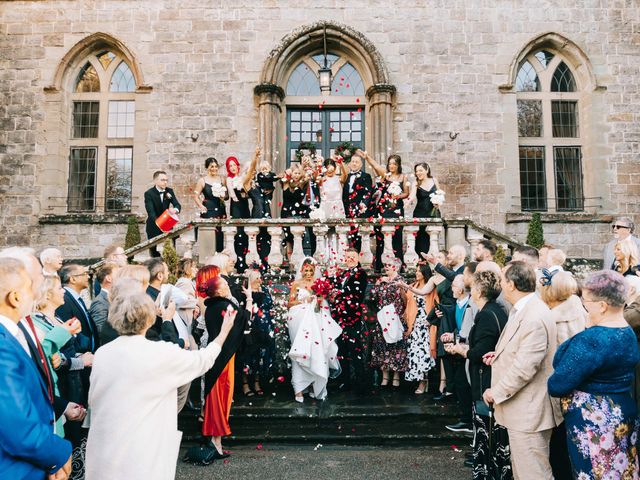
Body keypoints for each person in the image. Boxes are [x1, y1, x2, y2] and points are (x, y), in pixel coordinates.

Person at [85, 291, 236, 480]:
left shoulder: (103, 353)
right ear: (149, 318)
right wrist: (224, 332)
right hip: (142, 453)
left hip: (104, 451)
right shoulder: (160, 352)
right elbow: (202, 360)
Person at [548, 270, 640, 479]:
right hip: (623, 411)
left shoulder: (591, 339)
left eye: (586, 300)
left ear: (602, 306)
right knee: (621, 471)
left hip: (594, 421)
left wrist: (585, 331)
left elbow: (557, 384)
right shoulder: (628, 332)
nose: (583, 304)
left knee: (592, 472)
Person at [482, 261, 559, 480]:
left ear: (512, 284)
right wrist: (500, 356)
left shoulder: (533, 315)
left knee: (533, 472)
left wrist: (494, 393)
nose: (500, 285)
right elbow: (524, 351)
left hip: (530, 411)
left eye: (503, 280)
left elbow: (525, 369)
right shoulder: (523, 309)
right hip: (523, 410)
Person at [0, 258, 73, 480]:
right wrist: (59, 453)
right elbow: (17, 426)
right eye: (30, 287)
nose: (35, 294)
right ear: (15, 297)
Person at [445, 271, 511, 480]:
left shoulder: (486, 314)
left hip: (486, 377)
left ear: (480, 291)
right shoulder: (494, 310)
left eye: (473, 287)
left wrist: (460, 350)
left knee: (486, 426)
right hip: (486, 374)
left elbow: (480, 352)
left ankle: (486, 469)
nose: (470, 290)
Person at [538, 268, 587, 479]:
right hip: (583, 390)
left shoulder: (551, 320)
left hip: (559, 389)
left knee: (558, 448)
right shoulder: (580, 310)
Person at [201, 275, 250, 457]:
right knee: (221, 398)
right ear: (219, 291)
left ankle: (216, 440)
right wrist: (250, 298)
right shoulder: (223, 306)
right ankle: (216, 441)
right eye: (224, 284)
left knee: (218, 398)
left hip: (217, 357)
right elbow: (242, 319)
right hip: (222, 359)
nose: (228, 286)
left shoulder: (213, 307)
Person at [32, 275, 85, 437]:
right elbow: (50, 358)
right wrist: (81, 362)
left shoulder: (57, 318)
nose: (63, 291)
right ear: (47, 294)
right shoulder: (37, 322)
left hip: (74, 384)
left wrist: (80, 354)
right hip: (61, 387)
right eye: (59, 288)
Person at [287, 257, 342, 402]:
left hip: (315, 321)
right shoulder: (297, 284)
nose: (309, 273)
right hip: (299, 321)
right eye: (306, 270)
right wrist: (305, 300)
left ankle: (313, 386)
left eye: (311, 270)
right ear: (302, 270)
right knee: (300, 350)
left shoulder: (319, 284)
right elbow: (290, 303)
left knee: (316, 351)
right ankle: (298, 389)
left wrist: (318, 300)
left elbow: (322, 303)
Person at [362, 150, 410, 271]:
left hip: (397, 209)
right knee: (382, 237)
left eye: (394, 164)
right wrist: (367, 157)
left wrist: (397, 196)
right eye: (390, 164)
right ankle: (380, 266)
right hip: (384, 209)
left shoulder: (403, 177)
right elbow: (376, 166)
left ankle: (398, 266)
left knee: (396, 237)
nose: (391, 166)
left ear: (398, 165)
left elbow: (406, 193)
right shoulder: (386, 175)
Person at [330, 248, 370, 394]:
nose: (350, 259)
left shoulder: (361, 274)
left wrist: (338, 296)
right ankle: (345, 382)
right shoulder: (342, 275)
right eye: (348, 257)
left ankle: (362, 384)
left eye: (353, 257)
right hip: (339, 319)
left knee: (356, 351)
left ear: (358, 258)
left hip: (352, 318)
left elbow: (356, 295)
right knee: (342, 351)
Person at [369, 257, 409, 387]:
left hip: (396, 318)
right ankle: (385, 376)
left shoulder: (401, 281)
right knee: (382, 345)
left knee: (397, 346)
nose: (386, 267)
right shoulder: (382, 281)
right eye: (385, 265)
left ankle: (396, 376)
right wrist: (379, 282)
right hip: (383, 319)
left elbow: (405, 299)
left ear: (396, 267)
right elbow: (372, 296)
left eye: (389, 265)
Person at [238, 269, 275, 396]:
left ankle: (257, 382)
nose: (260, 280)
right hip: (251, 327)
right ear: (250, 279)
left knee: (261, 354)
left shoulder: (265, 291)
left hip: (264, 327)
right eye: (257, 278)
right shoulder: (244, 292)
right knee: (248, 355)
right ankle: (245, 384)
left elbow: (271, 306)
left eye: (260, 278)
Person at [404, 263, 437, 394]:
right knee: (414, 353)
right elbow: (407, 303)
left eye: (419, 271)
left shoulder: (431, 287)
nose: (416, 273)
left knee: (424, 353)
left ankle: (423, 382)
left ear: (424, 273)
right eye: (416, 271)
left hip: (426, 324)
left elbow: (436, 304)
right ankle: (418, 379)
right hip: (415, 324)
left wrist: (431, 320)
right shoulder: (413, 286)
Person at [226, 151, 259, 272]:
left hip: (245, 205)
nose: (233, 167)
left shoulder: (242, 177)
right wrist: (235, 196)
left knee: (247, 231)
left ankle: (246, 260)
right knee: (238, 231)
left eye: (234, 165)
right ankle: (238, 261)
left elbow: (247, 189)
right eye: (230, 166)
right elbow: (231, 193)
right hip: (236, 206)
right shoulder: (229, 179)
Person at [194, 157, 228, 253]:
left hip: (220, 210)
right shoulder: (202, 180)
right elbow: (196, 196)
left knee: (219, 236)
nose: (214, 168)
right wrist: (201, 206)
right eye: (211, 166)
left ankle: (219, 259)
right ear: (207, 168)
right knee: (208, 235)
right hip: (208, 210)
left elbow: (226, 196)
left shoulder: (222, 179)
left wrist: (223, 196)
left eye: (216, 166)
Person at [144, 170, 182, 257]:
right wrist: (161, 224)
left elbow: (177, 204)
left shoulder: (169, 191)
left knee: (170, 252)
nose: (165, 182)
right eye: (162, 180)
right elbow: (151, 212)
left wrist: (175, 210)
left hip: (168, 225)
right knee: (155, 254)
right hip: (153, 226)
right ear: (155, 181)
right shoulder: (149, 193)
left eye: (166, 180)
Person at [408, 162, 441, 259]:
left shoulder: (434, 180)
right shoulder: (416, 183)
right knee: (421, 240)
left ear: (427, 170)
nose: (418, 173)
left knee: (432, 239)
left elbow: (440, 194)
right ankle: (422, 261)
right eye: (417, 171)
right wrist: (407, 202)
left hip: (433, 213)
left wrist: (438, 204)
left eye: (420, 170)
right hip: (420, 214)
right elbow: (412, 195)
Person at [342, 153, 373, 252]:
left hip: (360, 212)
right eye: (353, 162)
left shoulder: (366, 176)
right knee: (350, 238)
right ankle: (352, 263)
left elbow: (368, 192)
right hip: (348, 213)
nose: (354, 164)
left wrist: (363, 204)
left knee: (360, 238)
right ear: (350, 164)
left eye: (357, 162)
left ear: (361, 165)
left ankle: (360, 264)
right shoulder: (347, 177)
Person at [280, 163, 310, 259]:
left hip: (298, 213)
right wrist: (286, 172)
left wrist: (303, 167)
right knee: (288, 239)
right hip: (286, 213)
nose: (296, 175)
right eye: (295, 173)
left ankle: (298, 260)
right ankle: (290, 261)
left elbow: (308, 176)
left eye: (298, 173)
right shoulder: (286, 183)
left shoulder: (302, 184)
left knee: (298, 238)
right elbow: (281, 176)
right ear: (291, 173)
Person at [89, 263, 117, 335]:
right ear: (108, 278)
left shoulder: (116, 298)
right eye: (118, 274)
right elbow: (100, 330)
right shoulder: (100, 302)